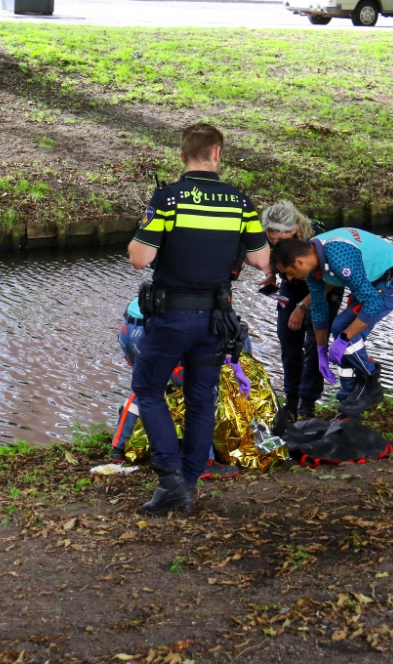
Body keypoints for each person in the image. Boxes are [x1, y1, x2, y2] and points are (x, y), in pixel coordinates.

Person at [127, 123, 270, 515]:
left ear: (182, 156)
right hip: (216, 318)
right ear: (217, 154)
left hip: (172, 315)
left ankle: (171, 478)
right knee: (201, 399)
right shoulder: (242, 203)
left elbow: (140, 258)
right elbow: (260, 260)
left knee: (149, 389)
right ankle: (188, 484)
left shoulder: (169, 199)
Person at [271, 229, 393, 415]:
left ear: (299, 262)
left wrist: (345, 338)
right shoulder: (313, 262)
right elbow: (319, 310)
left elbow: (372, 303)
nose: (289, 279)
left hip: (392, 280)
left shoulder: (340, 260)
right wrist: (321, 350)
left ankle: (370, 382)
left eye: (289, 272)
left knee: (345, 332)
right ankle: (348, 400)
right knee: (340, 329)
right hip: (369, 281)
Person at [111, 297, 242, 480]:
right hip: (158, 331)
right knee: (203, 391)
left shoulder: (185, 273)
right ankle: (203, 462)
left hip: (131, 327)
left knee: (146, 388)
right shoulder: (216, 285)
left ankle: (118, 450)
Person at [258, 202, 343, 421]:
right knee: (288, 339)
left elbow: (331, 278)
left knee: (315, 343)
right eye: (271, 236)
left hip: (325, 284)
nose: (275, 240)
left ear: (294, 229)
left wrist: (303, 307)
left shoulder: (317, 238)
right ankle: (291, 401)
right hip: (293, 284)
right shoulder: (272, 240)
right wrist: (271, 275)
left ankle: (307, 404)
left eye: (280, 236)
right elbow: (268, 256)